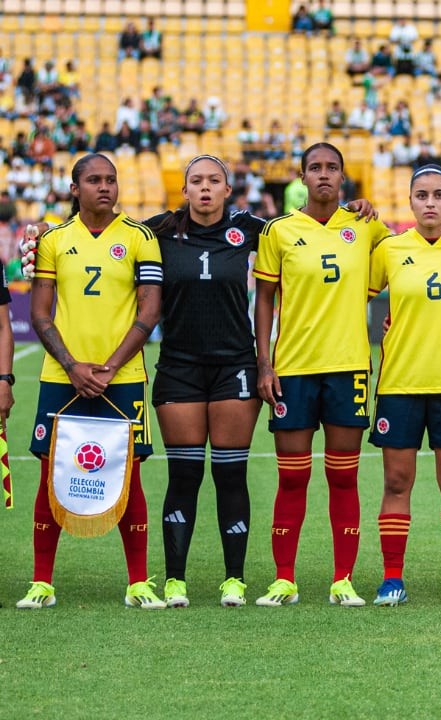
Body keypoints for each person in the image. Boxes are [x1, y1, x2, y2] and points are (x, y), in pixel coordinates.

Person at [19, 153, 165, 609]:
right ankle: (42, 583)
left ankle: (138, 583)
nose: (105, 187)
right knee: (50, 475)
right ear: (74, 188)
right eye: (94, 180)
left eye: (111, 179)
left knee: (130, 475)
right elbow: (39, 313)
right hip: (61, 377)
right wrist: (72, 366)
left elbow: (150, 309)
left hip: (123, 379)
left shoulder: (141, 237)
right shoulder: (54, 240)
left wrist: (108, 367)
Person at [252, 143, 391, 608]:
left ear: (344, 177)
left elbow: (410, 254)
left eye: (332, 168)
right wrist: (265, 363)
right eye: (316, 168)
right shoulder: (279, 231)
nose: (324, 176)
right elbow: (265, 299)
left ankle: (342, 579)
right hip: (293, 368)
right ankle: (284, 579)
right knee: (291, 478)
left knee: (343, 478)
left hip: (348, 366)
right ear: (303, 177)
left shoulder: (366, 225)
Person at [144, 156, 266, 608]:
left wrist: (358, 209)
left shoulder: (252, 229)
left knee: (231, 474)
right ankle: (175, 579)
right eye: (196, 181)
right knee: (185, 473)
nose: (206, 188)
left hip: (235, 365)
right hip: (178, 367)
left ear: (228, 190)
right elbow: (109, 234)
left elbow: (305, 230)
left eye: (214, 181)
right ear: (185, 190)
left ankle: (234, 579)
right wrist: (39, 231)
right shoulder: (159, 229)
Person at [368, 166, 441, 607]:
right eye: (421, 195)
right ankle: (391, 578)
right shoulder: (390, 249)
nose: (430, 202)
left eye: (438, 195)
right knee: (397, 481)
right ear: (410, 202)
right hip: (400, 382)